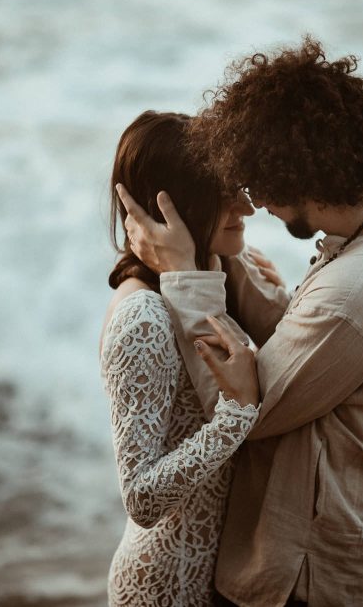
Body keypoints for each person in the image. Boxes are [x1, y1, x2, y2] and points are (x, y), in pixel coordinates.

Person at [116, 38, 363, 606]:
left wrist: (184, 271)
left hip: (310, 575)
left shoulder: (354, 296)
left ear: (295, 175)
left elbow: (243, 406)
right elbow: (304, 342)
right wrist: (222, 250)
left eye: (256, 184)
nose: (254, 204)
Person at [98, 110, 266, 607]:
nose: (246, 208)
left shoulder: (214, 272)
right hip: (163, 588)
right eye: (223, 194)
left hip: (217, 581)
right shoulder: (144, 317)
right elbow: (141, 498)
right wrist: (237, 415)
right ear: (169, 208)